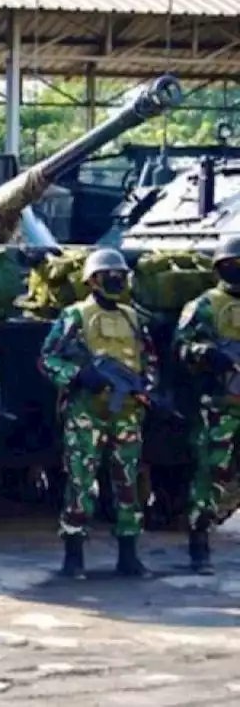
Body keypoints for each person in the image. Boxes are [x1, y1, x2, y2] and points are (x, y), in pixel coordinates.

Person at [38, 247, 158, 580]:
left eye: (120, 275)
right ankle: (73, 556)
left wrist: (143, 388)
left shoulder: (134, 318)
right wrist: (78, 376)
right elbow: (48, 359)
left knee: (128, 484)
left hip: (127, 413)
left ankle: (129, 555)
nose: (116, 279)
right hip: (86, 412)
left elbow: (149, 361)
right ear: (92, 280)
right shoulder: (74, 316)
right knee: (80, 483)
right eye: (109, 275)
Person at [173, 235, 240, 575]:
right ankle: (199, 545)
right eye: (234, 265)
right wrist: (206, 354)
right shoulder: (204, 306)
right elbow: (181, 347)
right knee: (209, 475)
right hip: (219, 404)